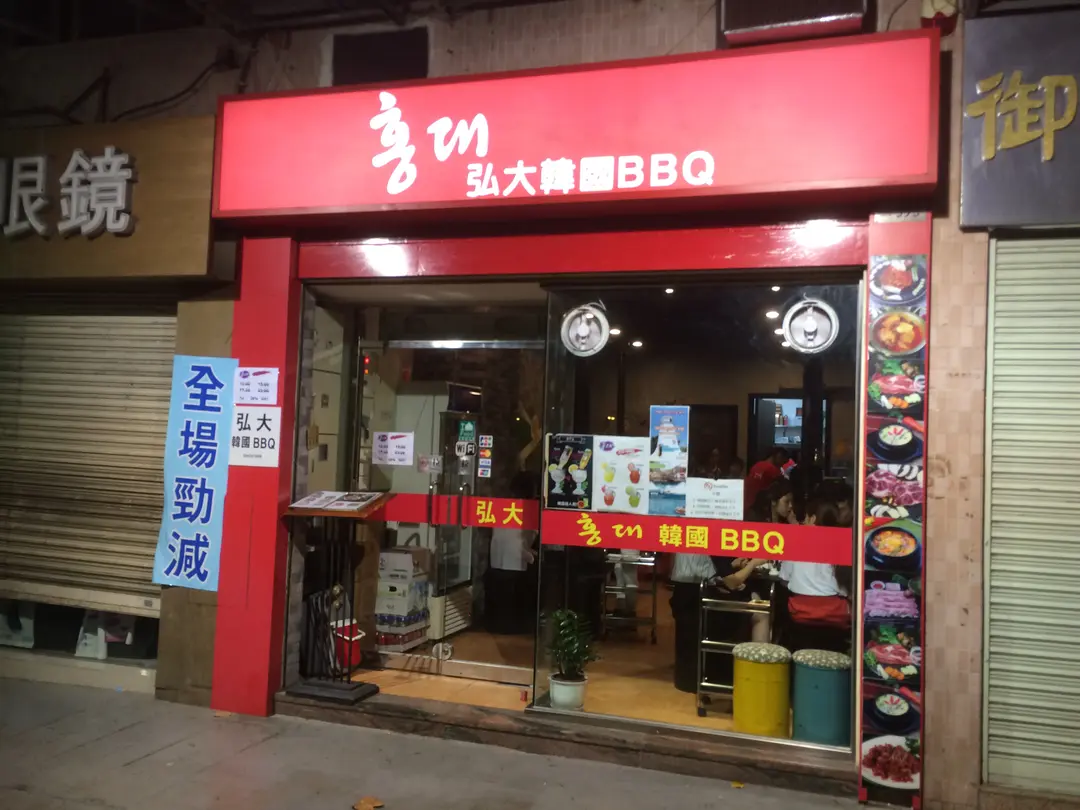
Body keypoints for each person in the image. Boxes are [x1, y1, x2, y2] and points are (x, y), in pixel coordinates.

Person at [669, 551, 768, 692]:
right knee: (761, 612)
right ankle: (759, 676)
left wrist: (732, 565)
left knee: (753, 599)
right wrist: (753, 564)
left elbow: (715, 568)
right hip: (698, 595)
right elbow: (731, 581)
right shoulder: (710, 540)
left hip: (687, 588)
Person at [779, 496, 853, 654]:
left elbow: (784, 579)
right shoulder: (844, 544)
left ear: (813, 518)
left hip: (801, 616)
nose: (803, 522)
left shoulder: (795, 542)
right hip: (836, 618)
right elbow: (847, 588)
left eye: (806, 518)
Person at [487, 472, 539, 634]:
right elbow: (527, 539)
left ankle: (499, 626)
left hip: (497, 559)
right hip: (517, 562)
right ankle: (519, 626)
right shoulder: (529, 509)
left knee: (500, 596)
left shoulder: (501, 506)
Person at [744, 447, 787, 512]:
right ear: (779, 456)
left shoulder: (757, 465)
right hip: (761, 506)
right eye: (783, 461)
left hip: (748, 503)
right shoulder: (773, 469)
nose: (782, 464)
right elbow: (782, 486)